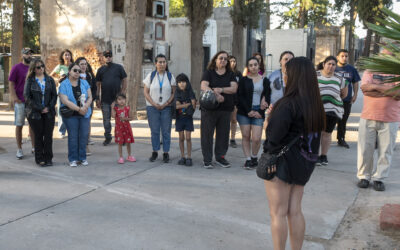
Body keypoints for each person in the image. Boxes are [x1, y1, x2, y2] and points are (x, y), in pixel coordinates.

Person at [263, 57, 325, 250]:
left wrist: (267, 121)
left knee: (278, 213)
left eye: (286, 73)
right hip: (305, 162)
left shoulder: (287, 104)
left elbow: (273, 137)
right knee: (295, 211)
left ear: (294, 77)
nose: (284, 76)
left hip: (282, 163)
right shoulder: (316, 104)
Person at [357, 65, 400, 191]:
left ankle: (379, 179)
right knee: (365, 149)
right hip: (368, 115)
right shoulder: (371, 70)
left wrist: (375, 87)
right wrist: (388, 90)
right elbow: (365, 89)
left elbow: (398, 93)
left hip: (390, 118)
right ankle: (364, 176)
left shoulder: (397, 71)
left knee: (386, 150)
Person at [200, 51, 238, 169]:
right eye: (221, 58)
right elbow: (204, 86)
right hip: (209, 109)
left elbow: (234, 89)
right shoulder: (209, 73)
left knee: (223, 135)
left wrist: (221, 89)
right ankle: (207, 159)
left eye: (225, 59)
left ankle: (220, 157)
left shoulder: (230, 74)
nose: (223, 61)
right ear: (215, 60)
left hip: (225, 109)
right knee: (207, 135)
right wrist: (215, 95)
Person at [237, 57, 270, 170]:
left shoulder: (265, 80)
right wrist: (248, 111)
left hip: (258, 112)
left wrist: (260, 111)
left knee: (256, 138)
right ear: (248, 67)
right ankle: (248, 159)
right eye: (250, 65)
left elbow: (267, 97)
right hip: (244, 112)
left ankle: (254, 157)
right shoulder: (243, 80)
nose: (253, 67)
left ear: (258, 65)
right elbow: (239, 97)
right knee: (246, 136)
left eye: (255, 64)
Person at [24, 59, 57, 166]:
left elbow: (54, 95)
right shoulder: (30, 80)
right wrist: (39, 108)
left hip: (49, 112)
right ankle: (39, 158)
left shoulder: (50, 79)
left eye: (42, 66)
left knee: (48, 136)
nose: (41, 68)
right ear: (33, 69)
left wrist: (49, 107)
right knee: (38, 135)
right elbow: (27, 97)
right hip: (35, 113)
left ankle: (48, 158)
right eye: (38, 67)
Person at [143, 54, 176, 163]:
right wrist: (154, 103)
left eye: (164, 62)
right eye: (159, 62)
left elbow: (173, 93)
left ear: (166, 64)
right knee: (155, 131)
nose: (162, 64)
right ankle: (155, 151)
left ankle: (166, 153)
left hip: (166, 108)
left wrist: (166, 103)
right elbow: (146, 92)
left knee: (166, 131)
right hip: (152, 108)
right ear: (155, 64)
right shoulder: (151, 76)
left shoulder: (170, 76)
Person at [59, 63, 93, 167]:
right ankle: (73, 158)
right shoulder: (64, 84)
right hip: (71, 114)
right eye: (75, 70)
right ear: (69, 71)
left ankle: (82, 158)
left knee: (83, 136)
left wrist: (85, 107)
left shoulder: (84, 82)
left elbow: (90, 97)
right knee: (73, 137)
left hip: (84, 113)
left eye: (79, 71)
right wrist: (79, 109)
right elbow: (64, 101)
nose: (77, 72)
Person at [316, 56, 348, 166]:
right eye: (329, 64)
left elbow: (344, 94)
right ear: (324, 64)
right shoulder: (314, 75)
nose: (331, 66)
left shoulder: (340, 79)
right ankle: (314, 155)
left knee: (327, 133)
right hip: (317, 110)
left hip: (333, 110)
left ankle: (323, 156)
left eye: (333, 64)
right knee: (316, 133)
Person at [96, 50, 127, 146]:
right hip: (105, 100)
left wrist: (122, 93)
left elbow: (124, 80)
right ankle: (108, 138)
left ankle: (122, 138)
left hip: (118, 100)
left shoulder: (119, 68)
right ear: (103, 57)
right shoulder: (100, 70)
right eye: (106, 56)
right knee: (106, 120)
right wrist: (97, 98)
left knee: (120, 120)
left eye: (110, 55)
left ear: (112, 57)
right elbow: (98, 85)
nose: (108, 57)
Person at [8, 47, 35, 159]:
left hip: (32, 102)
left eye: (30, 54)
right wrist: (15, 98)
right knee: (19, 125)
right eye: (27, 54)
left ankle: (34, 147)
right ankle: (19, 149)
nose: (29, 56)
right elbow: (11, 83)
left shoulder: (34, 68)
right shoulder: (16, 68)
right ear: (22, 55)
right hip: (20, 101)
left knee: (33, 125)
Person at [335, 49, 361, 148]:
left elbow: (355, 82)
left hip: (346, 100)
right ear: (338, 57)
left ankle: (341, 139)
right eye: (342, 56)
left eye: (346, 56)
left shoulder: (351, 69)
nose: (344, 58)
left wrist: (355, 95)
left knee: (343, 120)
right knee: (331, 119)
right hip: (333, 100)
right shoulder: (333, 67)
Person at [50, 49, 74, 138]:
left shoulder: (74, 66)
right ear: (63, 57)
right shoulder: (60, 66)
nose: (67, 56)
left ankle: (72, 130)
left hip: (73, 90)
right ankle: (62, 131)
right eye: (65, 55)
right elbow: (50, 76)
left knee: (72, 109)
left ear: (71, 56)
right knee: (61, 110)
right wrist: (58, 80)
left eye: (68, 55)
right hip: (62, 90)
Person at [174, 73, 196, 167]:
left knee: (188, 138)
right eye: (179, 82)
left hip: (188, 118)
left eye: (183, 81)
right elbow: (176, 105)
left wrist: (185, 105)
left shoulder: (190, 92)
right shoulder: (177, 93)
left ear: (187, 82)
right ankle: (182, 156)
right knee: (181, 138)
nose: (181, 84)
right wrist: (186, 105)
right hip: (179, 118)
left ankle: (189, 157)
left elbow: (194, 104)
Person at [76, 57, 97, 154]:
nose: (84, 66)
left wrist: (92, 99)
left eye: (85, 64)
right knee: (78, 125)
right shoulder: (74, 75)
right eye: (81, 64)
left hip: (89, 102)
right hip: (77, 103)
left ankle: (86, 145)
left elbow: (94, 88)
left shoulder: (89, 75)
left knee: (86, 123)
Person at [111, 93, 136, 164]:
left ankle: (129, 155)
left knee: (128, 143)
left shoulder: (127, 108)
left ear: (125, 100)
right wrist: (112, 108)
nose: (121, 101)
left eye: (123, 99)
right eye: (119, 99)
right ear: (116, 101)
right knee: (120, 143)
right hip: (119, 129)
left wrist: (126, 118)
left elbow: (131, 118)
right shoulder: (116, 109)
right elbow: (113, 116)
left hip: (127, 128)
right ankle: (121, 157)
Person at [228, 55, 242, 148]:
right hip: (226, 100)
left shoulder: (238, 74)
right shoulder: (225, 73)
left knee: (234, 120)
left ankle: (232, 139)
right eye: (231, 61)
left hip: (235, 100)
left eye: (234, 61)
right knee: (224, 121)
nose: (233, 63)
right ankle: (222, 138)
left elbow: (240, 87)